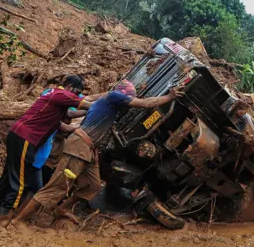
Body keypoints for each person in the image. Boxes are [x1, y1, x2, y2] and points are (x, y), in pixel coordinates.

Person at [13, 80, 184, 225]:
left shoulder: (108, 102)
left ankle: (61, 209)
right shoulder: (113, 96)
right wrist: (169, 97)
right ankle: (18, 221)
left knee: (93, 185)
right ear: (123, 94)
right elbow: (144, 104)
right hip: (79, 146)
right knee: (56, 187)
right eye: (129, 96)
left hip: (88, 149)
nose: (130, 100)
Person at [0, 75, 99, 235]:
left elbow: (70, 115)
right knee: (19, 182)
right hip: (26, 138)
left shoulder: (54, 98)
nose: (76, 96)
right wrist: (104, 106)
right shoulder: (60, 94)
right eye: (76, 92)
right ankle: (4, 224)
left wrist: (75, 128)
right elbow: (87, 104)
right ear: (69, 87)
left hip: (19, 135)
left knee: (7, 180)